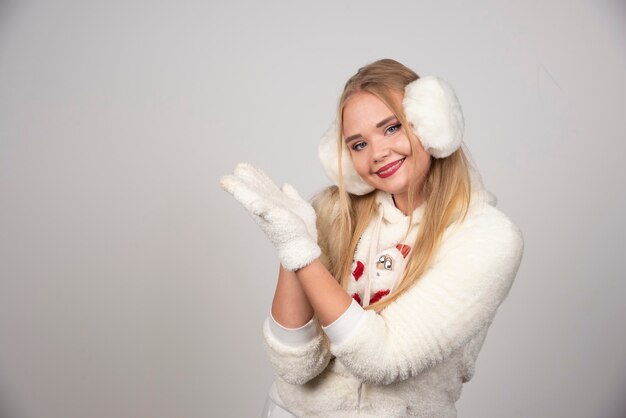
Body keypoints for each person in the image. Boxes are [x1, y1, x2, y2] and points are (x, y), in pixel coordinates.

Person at [221, 58, 524, 418]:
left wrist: (302, 252)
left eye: (392, 128)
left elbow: (382, 359)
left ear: (434, 123)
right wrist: (291, 250)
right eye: (359, 144)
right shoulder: (333, 212)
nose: (378, 153)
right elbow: (294, 367)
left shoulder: (487, 238)